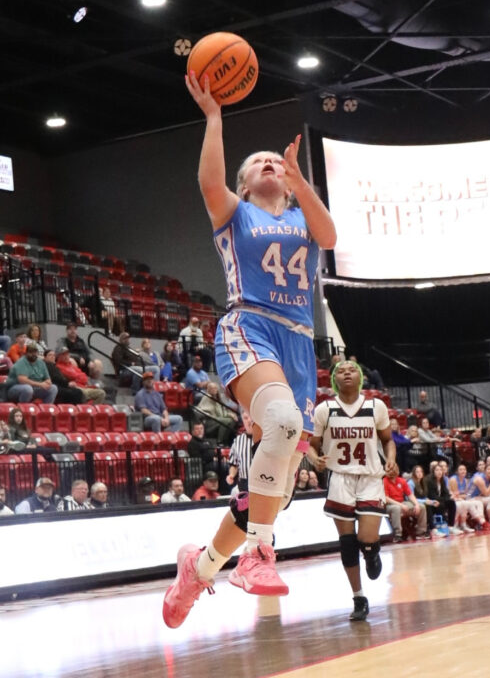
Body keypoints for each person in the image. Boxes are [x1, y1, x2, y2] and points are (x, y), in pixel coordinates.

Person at [162, 72, 337, 630]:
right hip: (250, 327)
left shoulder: (299, 217)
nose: (268, 163)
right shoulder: (236, 214)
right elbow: (210, 183)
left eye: (274, 161)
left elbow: (330, 236)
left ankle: (201, 567)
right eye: (257, 161)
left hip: (298, 345)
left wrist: (301, 180)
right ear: (243, 182)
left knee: (273, 493)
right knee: (283, 423)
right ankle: (260, 556)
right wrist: (214, 118)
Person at [308, 360, 396, 622]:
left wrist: (391, 458)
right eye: (341, 371)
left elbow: (388, 440)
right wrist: (314, 459)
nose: (347, 372)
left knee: (367, 538)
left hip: (370, 476)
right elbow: (311, 445)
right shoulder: (325, 409)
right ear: (335, 379)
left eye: (352, 369)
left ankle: (372, 553)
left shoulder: (375, 406)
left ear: (361, 377)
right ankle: (358, 597)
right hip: (340, 478)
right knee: (347, 543)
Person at [383, 463, 427, 542]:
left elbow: (410, 495)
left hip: (402, 502)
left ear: (397, 470)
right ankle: (398, 534)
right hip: (390, 505)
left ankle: (420, 532)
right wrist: (401, 505)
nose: (392, 471)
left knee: (422, 506)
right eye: (390, 470)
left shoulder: (401, 480)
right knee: (396, 508)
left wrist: (416, 504)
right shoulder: (384, 481)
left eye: (394, 469)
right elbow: (386, 498)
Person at [194, 380, 239, 445]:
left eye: (215, 388)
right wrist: (228, 415)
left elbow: (222, 411)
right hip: (209, 421)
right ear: (208, 389)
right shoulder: (206, 398)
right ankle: (220, 441)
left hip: (217, 419)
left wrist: (230, 414)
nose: (214, 390)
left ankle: (226, 440)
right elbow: (203, 411)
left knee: (232, 421)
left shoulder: (217, 398)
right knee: (226, 421)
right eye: (212, 388)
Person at [227, 409, 254, 492]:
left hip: (262, 482)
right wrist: (231, 475)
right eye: (246, 418)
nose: (249, 421)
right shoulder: (238, 440)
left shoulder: (265, 438)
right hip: (244, 482)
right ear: (242, 420)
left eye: (252, 418)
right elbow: (234, 463)